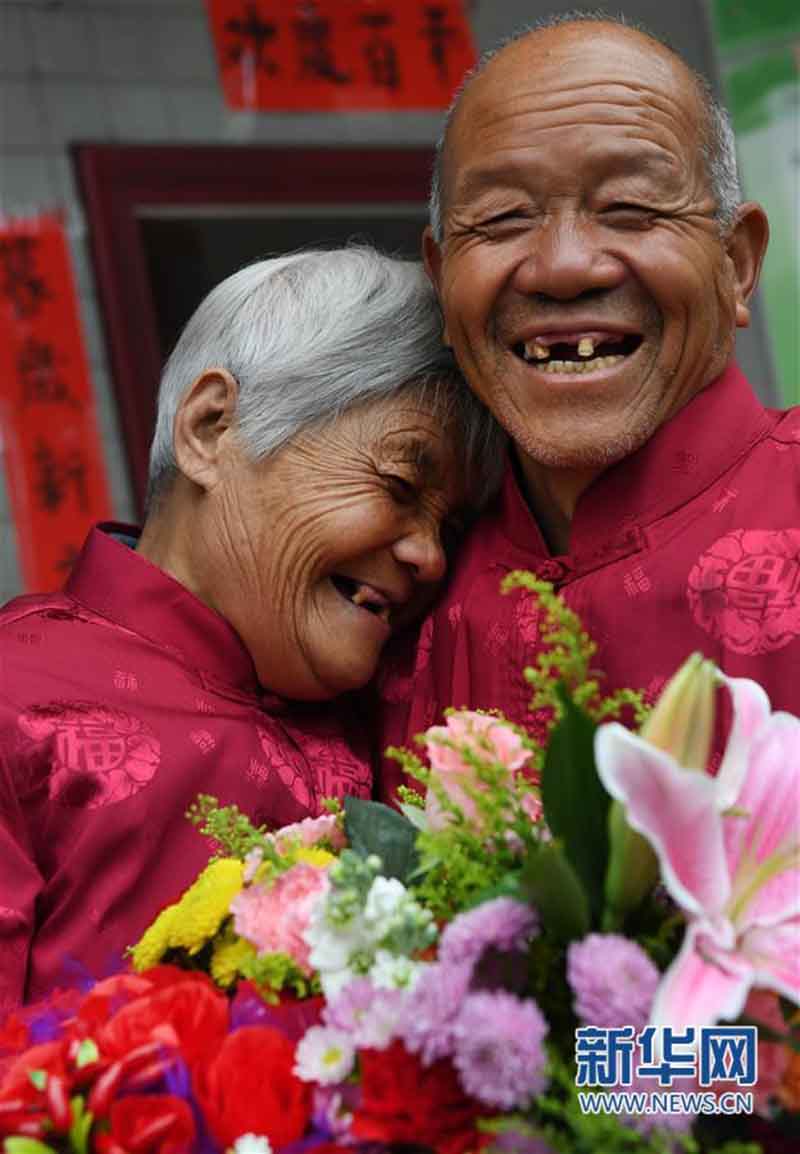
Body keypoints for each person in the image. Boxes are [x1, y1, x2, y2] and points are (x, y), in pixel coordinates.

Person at [0, 247, 503, 1007]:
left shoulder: (408, 703)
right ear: (210, 428)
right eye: (401, 484)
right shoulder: (19, 695)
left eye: (450, 528)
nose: (429, 557)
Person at [379, 14, 799, 791]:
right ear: (440, 279)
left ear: (737, 265)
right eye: (502, 218)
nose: (565, 267)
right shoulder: (395, 595)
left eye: (630, 208)